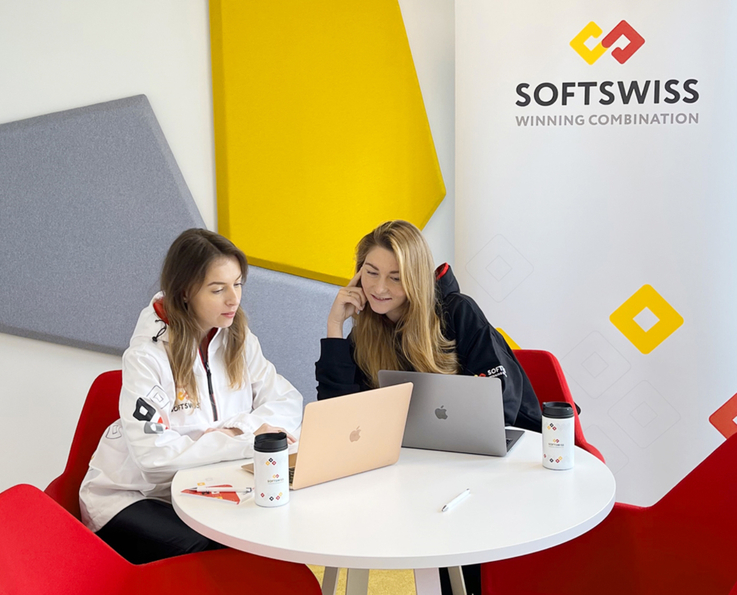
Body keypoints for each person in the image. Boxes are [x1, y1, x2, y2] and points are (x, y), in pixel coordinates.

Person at [315, 219, 542, 595]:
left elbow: (502, 401)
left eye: (396, 277)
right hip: (417, 468)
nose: (380, 288)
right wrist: (334, 326)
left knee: (458, 528)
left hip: (488, 465)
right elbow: (339, 416)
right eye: (371, 273)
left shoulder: (457, 313)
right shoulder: (367, 330)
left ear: (416, 278)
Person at [80, 228, 303, 564]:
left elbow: (288, 403)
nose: (234, 299)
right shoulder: (145, 358)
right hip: (133, 496)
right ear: (185, 292)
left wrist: (238, 429)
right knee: (214, 553)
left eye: (238, 284)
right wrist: (245, 440)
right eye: (218, 289)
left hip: (207, 488)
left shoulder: (238, 338)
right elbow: (155, 460)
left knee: (272, 529)